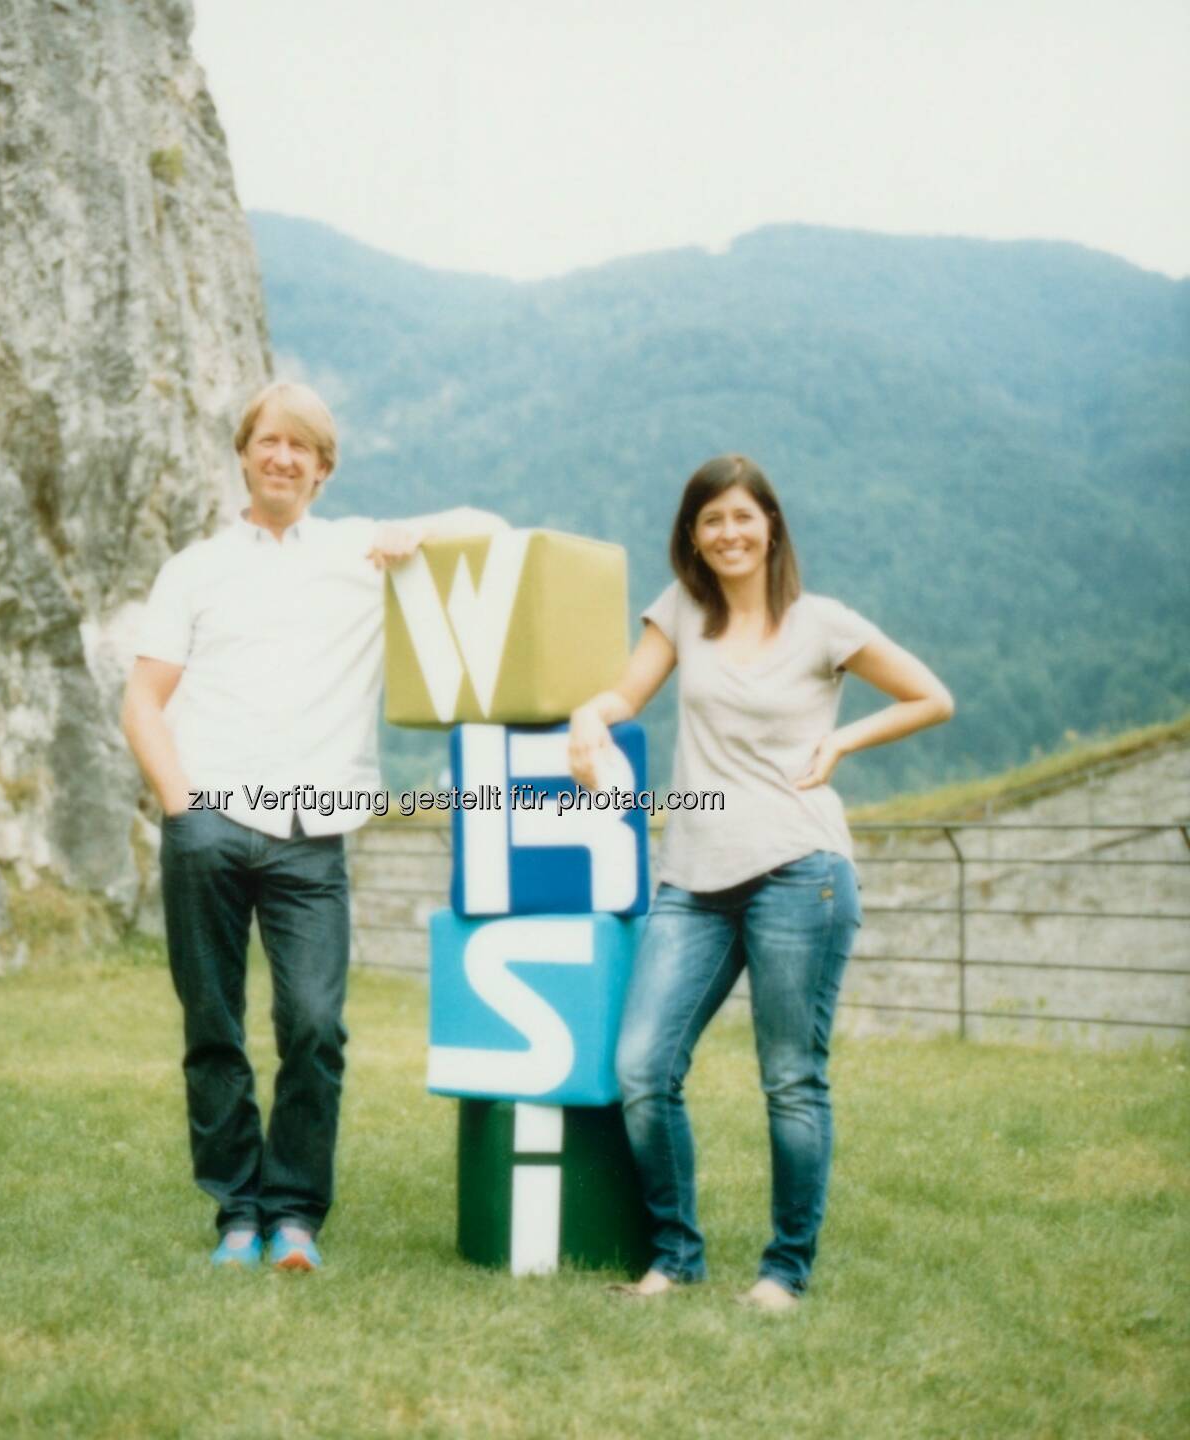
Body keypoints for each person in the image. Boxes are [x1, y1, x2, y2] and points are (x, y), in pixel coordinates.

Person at [122, 380, 503, 1272]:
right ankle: (236, 1214)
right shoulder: (194, 568)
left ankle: (295, 1212)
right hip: (208, 821)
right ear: (245, 454)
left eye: (302, 447)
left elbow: (486, 524)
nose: (283, 457)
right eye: (269, 442)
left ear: (323, 469)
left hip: (314, 831)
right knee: (212, 1028)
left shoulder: (356, 551)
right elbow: (144, 699)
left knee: (315, 1025)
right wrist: (184, 807)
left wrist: (420, 533)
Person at [568, 453, 952, 1311]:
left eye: (743, 517)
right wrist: (587, 717)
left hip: (800, 873)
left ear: (770, 525)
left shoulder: (823, 624)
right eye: (711, 521)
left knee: (790, 1079)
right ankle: (678, 1255)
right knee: (642, 1068)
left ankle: (785, 1270)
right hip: (692, 879)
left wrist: (844, 742)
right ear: (694, 539)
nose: (729, 533)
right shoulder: (680, 613)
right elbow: (626, 695)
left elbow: (932, 697)